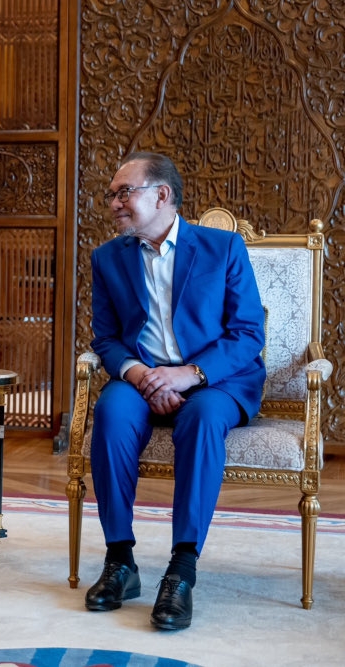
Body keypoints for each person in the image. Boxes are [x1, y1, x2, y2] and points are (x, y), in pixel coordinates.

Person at [84, 152, 265, 630]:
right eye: (111, 195)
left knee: (203, 419)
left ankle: (182, 570)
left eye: (124, 192)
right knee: (111, 412)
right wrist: (141, 376)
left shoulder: (223, 248)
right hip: (142, 377)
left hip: (214, 380)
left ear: (161, 195)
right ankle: (120, 561)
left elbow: (248, 334)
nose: (114, 203)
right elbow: (105, 338)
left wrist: (189, 374)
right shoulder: (107, 258)